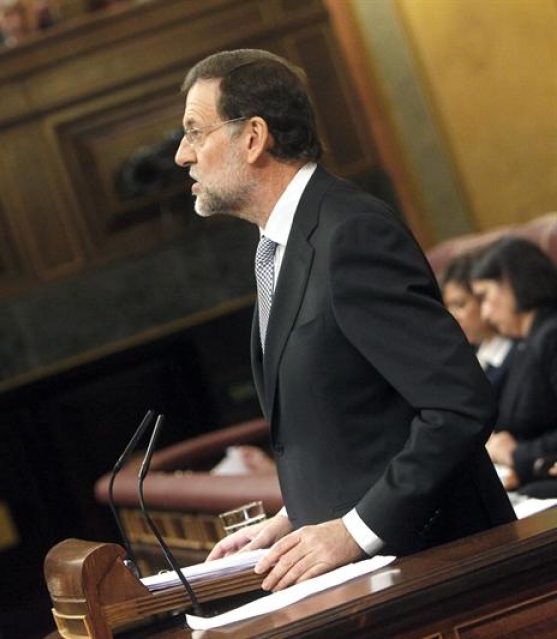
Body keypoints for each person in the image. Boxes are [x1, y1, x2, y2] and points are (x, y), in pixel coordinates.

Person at [174, 49, 515, 591]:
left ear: (253, 137)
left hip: (446, 573)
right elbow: (359, 419)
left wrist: (356, 532)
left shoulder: (352, 233)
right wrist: (296, 518)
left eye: (195, 131)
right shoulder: (279, 247)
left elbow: (457, 404)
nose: (181, 155)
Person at [471, 237, 557, 497]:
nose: (484, 314)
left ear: (510, 283)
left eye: (485, 297)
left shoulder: (551, 335)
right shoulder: (526, 343)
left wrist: (516, 453)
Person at [440, 251, 514, 398]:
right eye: (449, 308)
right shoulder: (468, 356)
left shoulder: (519, 352)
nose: (453, 317)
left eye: (460, 305)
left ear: (482, 298)